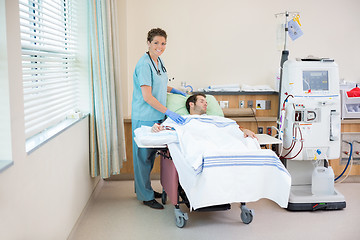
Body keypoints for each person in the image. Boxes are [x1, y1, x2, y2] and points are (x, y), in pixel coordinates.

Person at [131, 28, 187, 210]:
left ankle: (144, 189)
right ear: (148, 43)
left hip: (157, 116)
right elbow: (147, 96)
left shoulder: (159, 61)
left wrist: (174, 90)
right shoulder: (144, 64)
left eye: (163, 43)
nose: (160, 47)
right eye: (156, 43)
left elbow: (160, 84)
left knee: (151, 157)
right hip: (144, 116)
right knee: (143, 158)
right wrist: (169, 112)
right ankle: (145, 195)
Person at [152, 93, 257, 139]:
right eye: (202, 101)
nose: (206, 103)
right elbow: (167, 128)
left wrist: (244, 130)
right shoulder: (183, 119)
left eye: (206, 102)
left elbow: (229, 127)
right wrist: (157, 127)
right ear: (191, 104)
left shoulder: (213, 118)